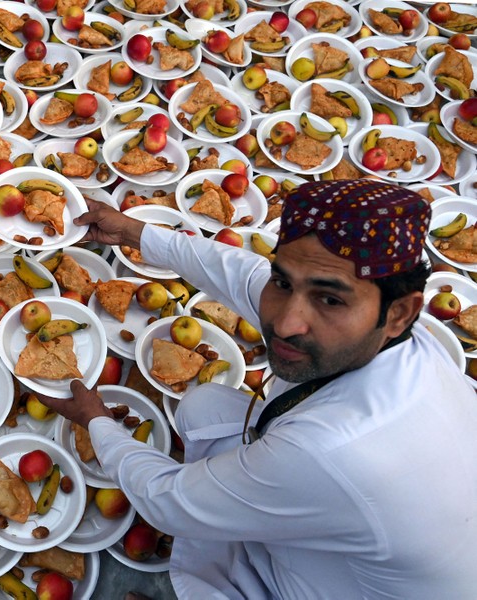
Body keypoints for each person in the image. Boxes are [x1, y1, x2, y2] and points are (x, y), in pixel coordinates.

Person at [41, 179, 477, 598]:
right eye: (284, 283)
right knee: (205, 407)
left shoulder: (331, 450)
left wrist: (95, 420)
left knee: (213, 539)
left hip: (349, 586)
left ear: (400, 312)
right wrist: (136, 232)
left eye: (330, 300)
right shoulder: (406, 338)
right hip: (363, 529)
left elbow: (166, 503)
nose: (285, 324)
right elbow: (242, 273)